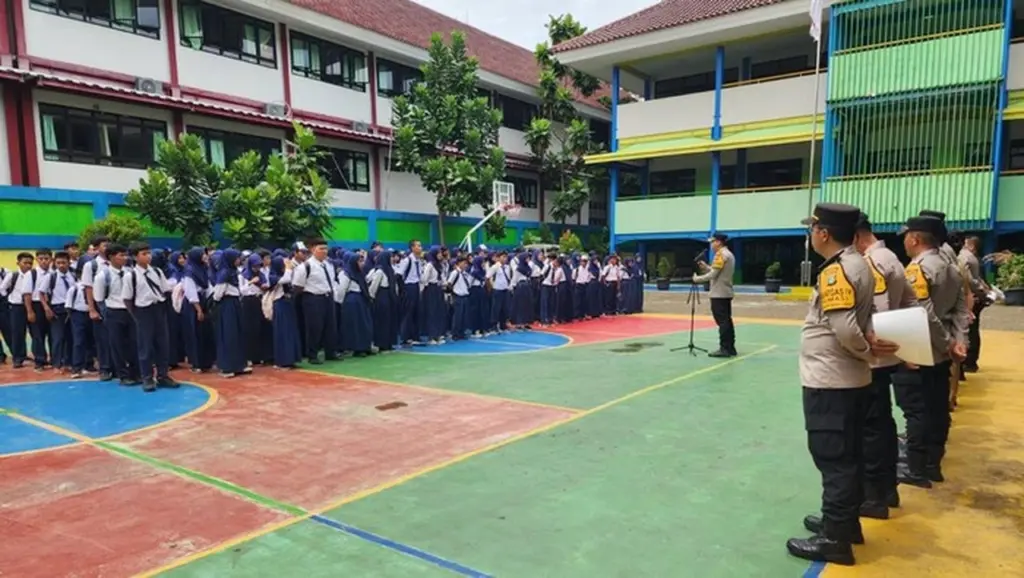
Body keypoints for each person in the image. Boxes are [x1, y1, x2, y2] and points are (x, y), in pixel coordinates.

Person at [787, 203, 899, 566]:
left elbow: (846, 330)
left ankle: (835, 538)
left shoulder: (837, 271)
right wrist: (868, 347)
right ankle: (843, 523)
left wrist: (867, 351)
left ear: (823, 233)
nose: (811, 234)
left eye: (813, 229)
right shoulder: (858, 263)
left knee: (833, 457)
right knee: (848, 454)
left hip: (831, 379)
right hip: (847, 380)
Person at [898, 215, 969, 487]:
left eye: (906, 236)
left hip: (921, 349)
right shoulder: (952, 268)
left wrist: (947, 342)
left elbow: (923, 314)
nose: (905, 241)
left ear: (915, 239)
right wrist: (958, 341)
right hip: (942, 354)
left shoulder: (918, 269)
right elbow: (961, 310)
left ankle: (917, 468)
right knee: (938, 409)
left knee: (916, 411)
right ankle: (933, 464)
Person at [123, 242, 177, 391]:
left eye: (149, 253)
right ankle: (147, 377)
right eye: (144, 254)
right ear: (135, 257)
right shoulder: (131, 276)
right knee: (145, 346)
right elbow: (127, 299)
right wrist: (135, 315)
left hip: (158, 308)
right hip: (143, 311)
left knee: (163, 343)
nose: (148, 256)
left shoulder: (157, 272)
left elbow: (166, 290)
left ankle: (163, 375)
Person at [95, 244, 142, 386]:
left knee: (134, 343)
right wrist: (106, 313)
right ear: (111, 257)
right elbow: (99, 298)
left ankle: (136, 373)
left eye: (125, 255)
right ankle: (123, 375)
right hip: (113, 311)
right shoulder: (103, 276)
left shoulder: (130, 272)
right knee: (117, 344)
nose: (125, 258)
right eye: (121, 255)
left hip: (130, 311)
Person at [292, 239, 339, 363]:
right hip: (313, 298)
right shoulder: (305, 266)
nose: (324, 251)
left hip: (328, 297)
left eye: (326, 248)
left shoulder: (329, 265)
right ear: (313, 250)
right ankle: (312, 354)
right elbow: (298, 285)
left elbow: (332, 281)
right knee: (314, 327)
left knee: (330, 326)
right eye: (321, 249)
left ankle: (331, 352)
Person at [694, 233, 737, 358]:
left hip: (719, 293)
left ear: (718, 242)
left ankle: (724, 348)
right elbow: (717, 272)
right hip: (725, 292)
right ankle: (730, 347)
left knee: (722, 322)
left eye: (713, 242)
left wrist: (697, 279)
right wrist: (707, 267)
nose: (712, 245)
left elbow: (713, 275)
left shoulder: (720, 254)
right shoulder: (728, 254)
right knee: (727, 321)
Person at [959, 235, 989, 374]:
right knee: (973, 329)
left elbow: (969, 280)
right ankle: (971, 361)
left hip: (970, 297)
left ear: (971, 246)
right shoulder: (974, 258)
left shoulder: (964, 257)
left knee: (969, 330)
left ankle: (968, 361)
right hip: (975, 297)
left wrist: (980, 292)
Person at [0, 253, 36, 368]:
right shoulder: (12, 275)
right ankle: (18, 358)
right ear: (18, 263)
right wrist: (9, 299)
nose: (28, 265)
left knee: (35, 332)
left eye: (30, 263)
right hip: (16, 306)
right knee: (17, 333)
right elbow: (2, 289)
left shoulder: (34, 275)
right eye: (25, 263)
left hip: (31, 305)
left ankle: (37, 355)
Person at [42, 251, 75, 374]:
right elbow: (41, 292)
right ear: (54, 263)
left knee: (71, 337)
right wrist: (47, 308)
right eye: (58, 263)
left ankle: (69, 362)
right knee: (58, 338)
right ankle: (56, 363)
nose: (61, 265)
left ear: (69, 263)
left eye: (64, 262)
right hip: (57, 309)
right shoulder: (51, 277)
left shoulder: (73, 276)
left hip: (72, 309)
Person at [395, 240, 424, 345]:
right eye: (418, 246)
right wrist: (403, 289)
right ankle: (405, 337)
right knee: (408, 313)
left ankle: (415, 336)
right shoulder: (407, 260)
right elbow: (398, 275)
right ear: (412, 248)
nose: (420, 248)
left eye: (420, 246)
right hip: (408, 287)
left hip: (416, 286)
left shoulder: (419, 261)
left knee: (417, 312)